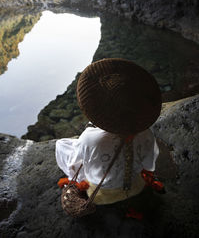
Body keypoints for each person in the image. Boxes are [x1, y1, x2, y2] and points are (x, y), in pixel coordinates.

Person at [56, 58, 162, 206]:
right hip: (137, 187)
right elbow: (149, 160)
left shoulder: (90, 139)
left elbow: (76, 164)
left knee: (62, 145)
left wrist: (78, 179)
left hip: (102, 195)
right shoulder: (145, 132)